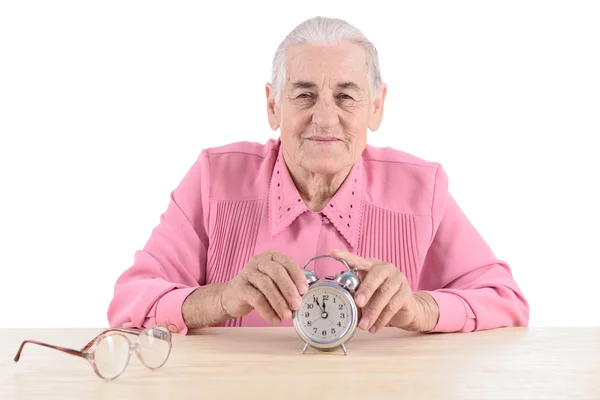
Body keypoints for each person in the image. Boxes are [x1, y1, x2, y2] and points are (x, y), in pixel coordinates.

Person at [107, 16, 529, 336]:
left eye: (346, 96)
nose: (325, 118)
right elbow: (128, 301)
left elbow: (506, 302)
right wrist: (222, 298)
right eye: (304, 94)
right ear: (273, 106)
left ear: (376, 107)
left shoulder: (423, 188)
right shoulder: (213, 178)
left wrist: (420, 309)